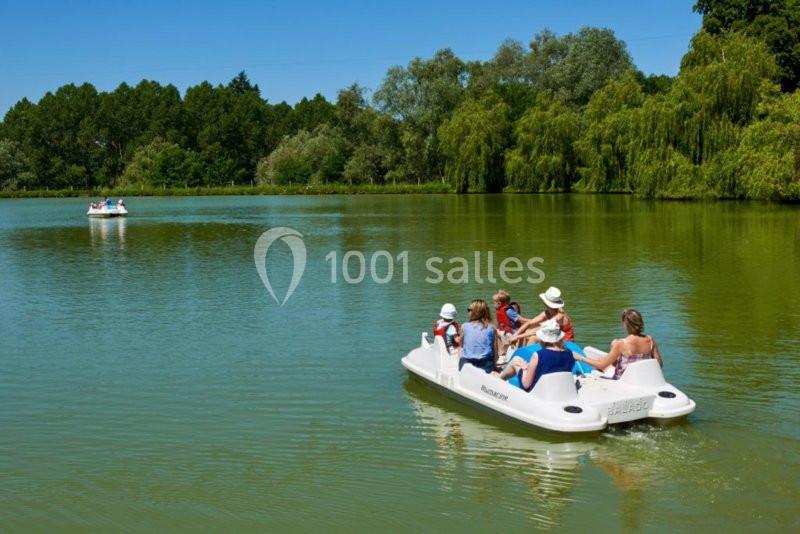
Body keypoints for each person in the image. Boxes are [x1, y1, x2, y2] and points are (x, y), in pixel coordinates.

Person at [574, 309, 662, 379]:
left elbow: (602, 364)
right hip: (642, 378)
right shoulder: (650, 340)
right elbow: (659, 364)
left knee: (602, 367)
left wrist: (580, 357)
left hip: (624, 381)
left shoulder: (621, 344)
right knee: (608, 360)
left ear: (625, 324)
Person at [500, 320, 575, 392]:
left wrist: (525, 368)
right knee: (522, 362)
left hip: (539, 391)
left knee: (516, 360)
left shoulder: (538, 355)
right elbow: (552, 368)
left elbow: (526, 385)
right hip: (559, 390)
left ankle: (499, 382)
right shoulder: (569, 353)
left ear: (543, 339)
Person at [510, 286, 574, 345]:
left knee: (533, 338)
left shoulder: (560, 316)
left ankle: (528, 356)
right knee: (527, 331)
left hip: (565, 342)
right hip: (553, 338)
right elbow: (529, 323)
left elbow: (541, 329)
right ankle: (520, 352)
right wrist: (515, 335)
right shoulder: (547, 313)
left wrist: (518, 336)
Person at [458, 299, 501, 373]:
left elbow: (461, 346)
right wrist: (495, 366)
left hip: (465, 365)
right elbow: (495, 352)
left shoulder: (464, 326)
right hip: (484, 365)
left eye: (469, 310)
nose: (468, 312)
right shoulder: (492, 328)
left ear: (475, 312)